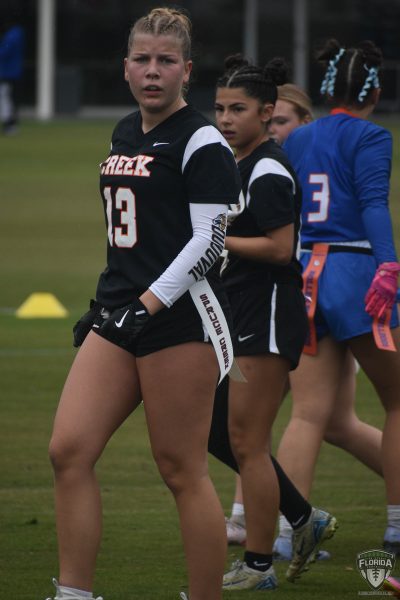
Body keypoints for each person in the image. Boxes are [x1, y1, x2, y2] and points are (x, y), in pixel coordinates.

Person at [45, 8, 243, 600]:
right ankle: (74, 594)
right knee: (68, 451)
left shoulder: (202, 140)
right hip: (119, 313)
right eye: (142, 59)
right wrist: (110, 301)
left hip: (178, 319)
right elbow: (129, 234)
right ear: (125, 67)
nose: (152, 71)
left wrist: (148, 304)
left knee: (181, 469)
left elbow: (209, 243)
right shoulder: (124, 130)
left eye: (165, 61)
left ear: (187, 70)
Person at [226, 82, 384, 562]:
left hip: (303, 294)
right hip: (318, 288)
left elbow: (282, 244)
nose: (275, 130)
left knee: (280, 420)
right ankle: (259, 518)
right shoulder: (270, 163)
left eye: (282, 121)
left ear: (305, 125)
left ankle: (280, 526)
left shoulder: (281, 165)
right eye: (271, 121)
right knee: (323, 422)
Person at [212, 54, 337, 591]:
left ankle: (259, 566)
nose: (225, 118)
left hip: (265, 314)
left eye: (237, 109)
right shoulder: (235, 164)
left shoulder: (267, 168)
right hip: (236, 312)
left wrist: (216, 239)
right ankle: (305, 519)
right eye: (220, 108)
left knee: (247, 441)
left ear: (266, 113)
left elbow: (281, 248)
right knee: (219, 433)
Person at [276, 38, 400, 561]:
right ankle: (396, 528)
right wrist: (389, 265)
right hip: (355, 272)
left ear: (328, 88)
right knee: (397, 403)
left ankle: (286, 536)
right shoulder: (373, 135)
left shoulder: (300, 138)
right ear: (374, 90)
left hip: (305, 275)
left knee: (307, 415)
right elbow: (372, 204)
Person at [0, 11, 24, 135]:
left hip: (9, 73)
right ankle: (10, 124)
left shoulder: (13, 34)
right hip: (12, 72)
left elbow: (4, 51)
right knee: (10, 99)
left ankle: (9, 124)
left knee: (7, 99)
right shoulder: (16, 33)